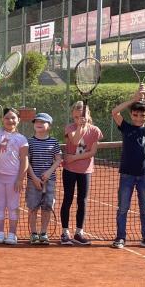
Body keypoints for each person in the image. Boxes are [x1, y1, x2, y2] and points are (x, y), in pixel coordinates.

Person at [111, 86, 145, 250]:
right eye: (135, 114)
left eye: (142, 115)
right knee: (123, 208)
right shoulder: (126, 127)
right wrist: (133, 100)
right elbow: (115, 112)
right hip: (127, 175)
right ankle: (120, 237)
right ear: (131, 115)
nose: (138, 117)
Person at [60, 101, 103, 245]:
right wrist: (80, 126)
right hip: (69, 170)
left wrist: (74, 158)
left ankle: (79, 232)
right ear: (73, 115)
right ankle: (65, 232)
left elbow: (93, 152)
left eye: (82, 116)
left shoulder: (95, 130)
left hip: (86, 171)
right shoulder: (70, 128)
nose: (79, 118)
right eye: (76, 117)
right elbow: (76, 139)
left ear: (88, 115)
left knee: (82, 201)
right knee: (68, 199)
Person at [0, 107, 28, 245]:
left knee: (13, 206)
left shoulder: (21, 139)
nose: (10, 120)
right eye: (7, 118)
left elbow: (25, 160)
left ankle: (12, 234)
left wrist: (20, 178)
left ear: (18, 120)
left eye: (13, 118)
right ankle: (0, 233)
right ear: (2, 119)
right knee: (0, 205)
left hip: (13, 178)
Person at [26, 113, 62, 245]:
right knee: (33, 207)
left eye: (42, 122)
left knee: (47, 207)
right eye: (36, 121)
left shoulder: (54, 142)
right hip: (32, 181)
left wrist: (48, 173)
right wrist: (34, 178)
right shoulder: (29, 141)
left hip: (50, 181)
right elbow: (26, 162)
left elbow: (58, 159)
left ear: (49, 126)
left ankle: (43, 233)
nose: (39, 124)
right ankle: (34, 233)